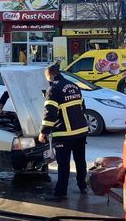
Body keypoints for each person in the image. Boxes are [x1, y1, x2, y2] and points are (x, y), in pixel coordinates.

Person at [38, 62, 89, 201]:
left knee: (63, 163)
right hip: (81, 130)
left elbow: (50, 113)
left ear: (49, 74)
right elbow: (82, 107)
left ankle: (60, 193)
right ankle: (82, 186)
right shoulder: (74, 86)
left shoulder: (53, 89)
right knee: (80, 160)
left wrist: (44, 132)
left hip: (65, 133)